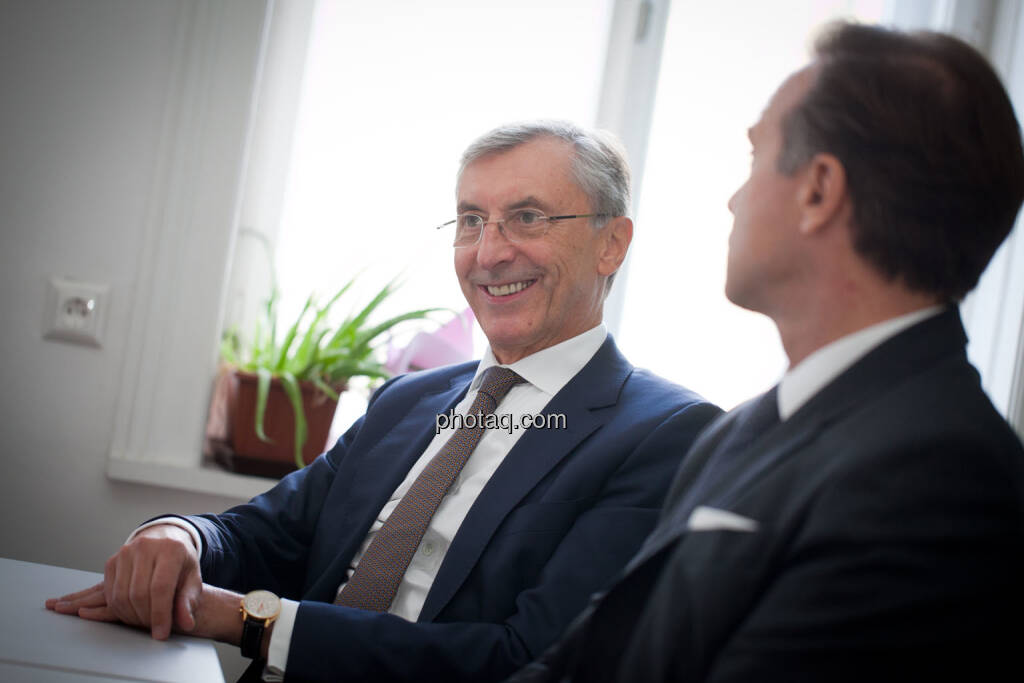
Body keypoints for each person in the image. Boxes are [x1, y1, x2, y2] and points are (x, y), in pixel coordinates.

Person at [46, 120, 721, 682]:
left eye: (527, 217)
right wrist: (179, 536)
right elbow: (271, 531)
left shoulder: (667, 433)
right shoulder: (406, 398)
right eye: (470, 220)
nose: (488, 253)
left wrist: (248, 618)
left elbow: (527, 659)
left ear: (612, 243)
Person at [509, 23, 1024, 683]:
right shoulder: (743, 426)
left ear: (818, 191)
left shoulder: (942, 480)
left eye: (754, 159)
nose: (733, 199)